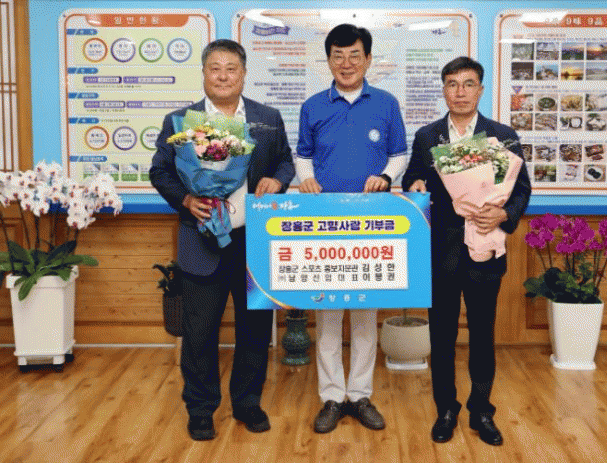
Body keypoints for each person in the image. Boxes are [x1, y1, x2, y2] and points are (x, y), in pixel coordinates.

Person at [150, 39, 295, 440]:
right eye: (215, 68)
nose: (223, 76)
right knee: (199, 332)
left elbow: (285, 160)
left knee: (254, 329)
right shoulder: (181, 121)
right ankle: (200, 409)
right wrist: (186, 199)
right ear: (203, 73)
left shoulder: (267, 118)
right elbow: (160, 171)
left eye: (231, 69)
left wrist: (277, 179)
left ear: (244, 74)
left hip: (255, 242)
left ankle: (248, 403)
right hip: (201, 241)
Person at [402, 56, 531, 446]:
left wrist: (504, 213)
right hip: (441, 252)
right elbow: (413, 176)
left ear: (480, 89)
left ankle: (482, 410)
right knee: (441, 335)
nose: (460, 92)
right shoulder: (427, 136)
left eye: (468, 84)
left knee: (482, 333)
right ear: (444, 90)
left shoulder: (502, 135)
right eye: (452, 84)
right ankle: (446, 409)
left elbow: (521, 188)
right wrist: (415, 184)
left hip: (486, 247)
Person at [296, 23, 408, 433]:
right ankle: (331, 396)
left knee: (364, 311)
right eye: (338, 56)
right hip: (325, 222)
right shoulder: (313, 106)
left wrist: (386, 176)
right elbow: (303, 155)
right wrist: (306, 178)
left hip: (371, 223)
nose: (346, 63)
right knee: (327, 313)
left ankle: (360, 395)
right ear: (328, 60)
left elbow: (399, 154)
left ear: (368, 59)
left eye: (354, 55)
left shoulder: (386, 103)